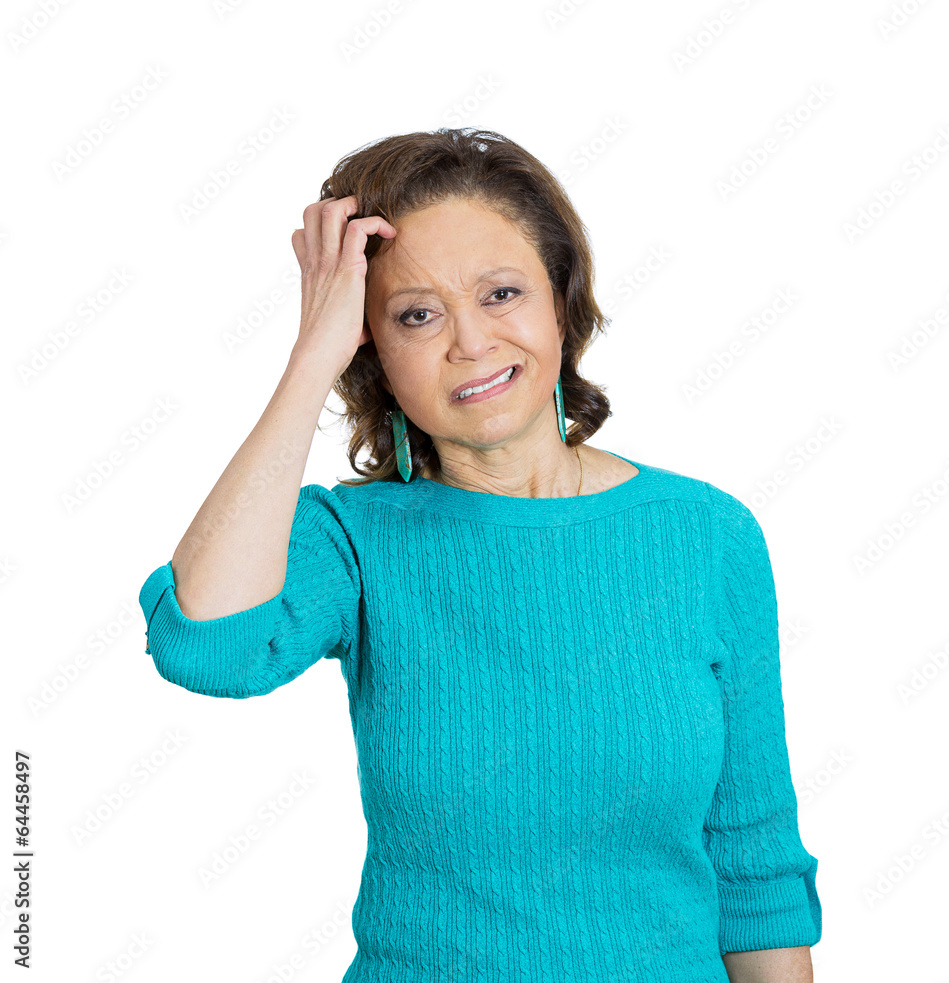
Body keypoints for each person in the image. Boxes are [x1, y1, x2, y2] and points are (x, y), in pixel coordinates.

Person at [139, 127, 822, 982]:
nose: (469, 341)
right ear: (371, 348)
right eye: (415, 314)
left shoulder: (708, 535)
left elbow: (754, 866)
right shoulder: (353, 539)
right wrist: (312, 355)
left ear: (561, 301)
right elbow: (206, 645)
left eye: (502, 293)